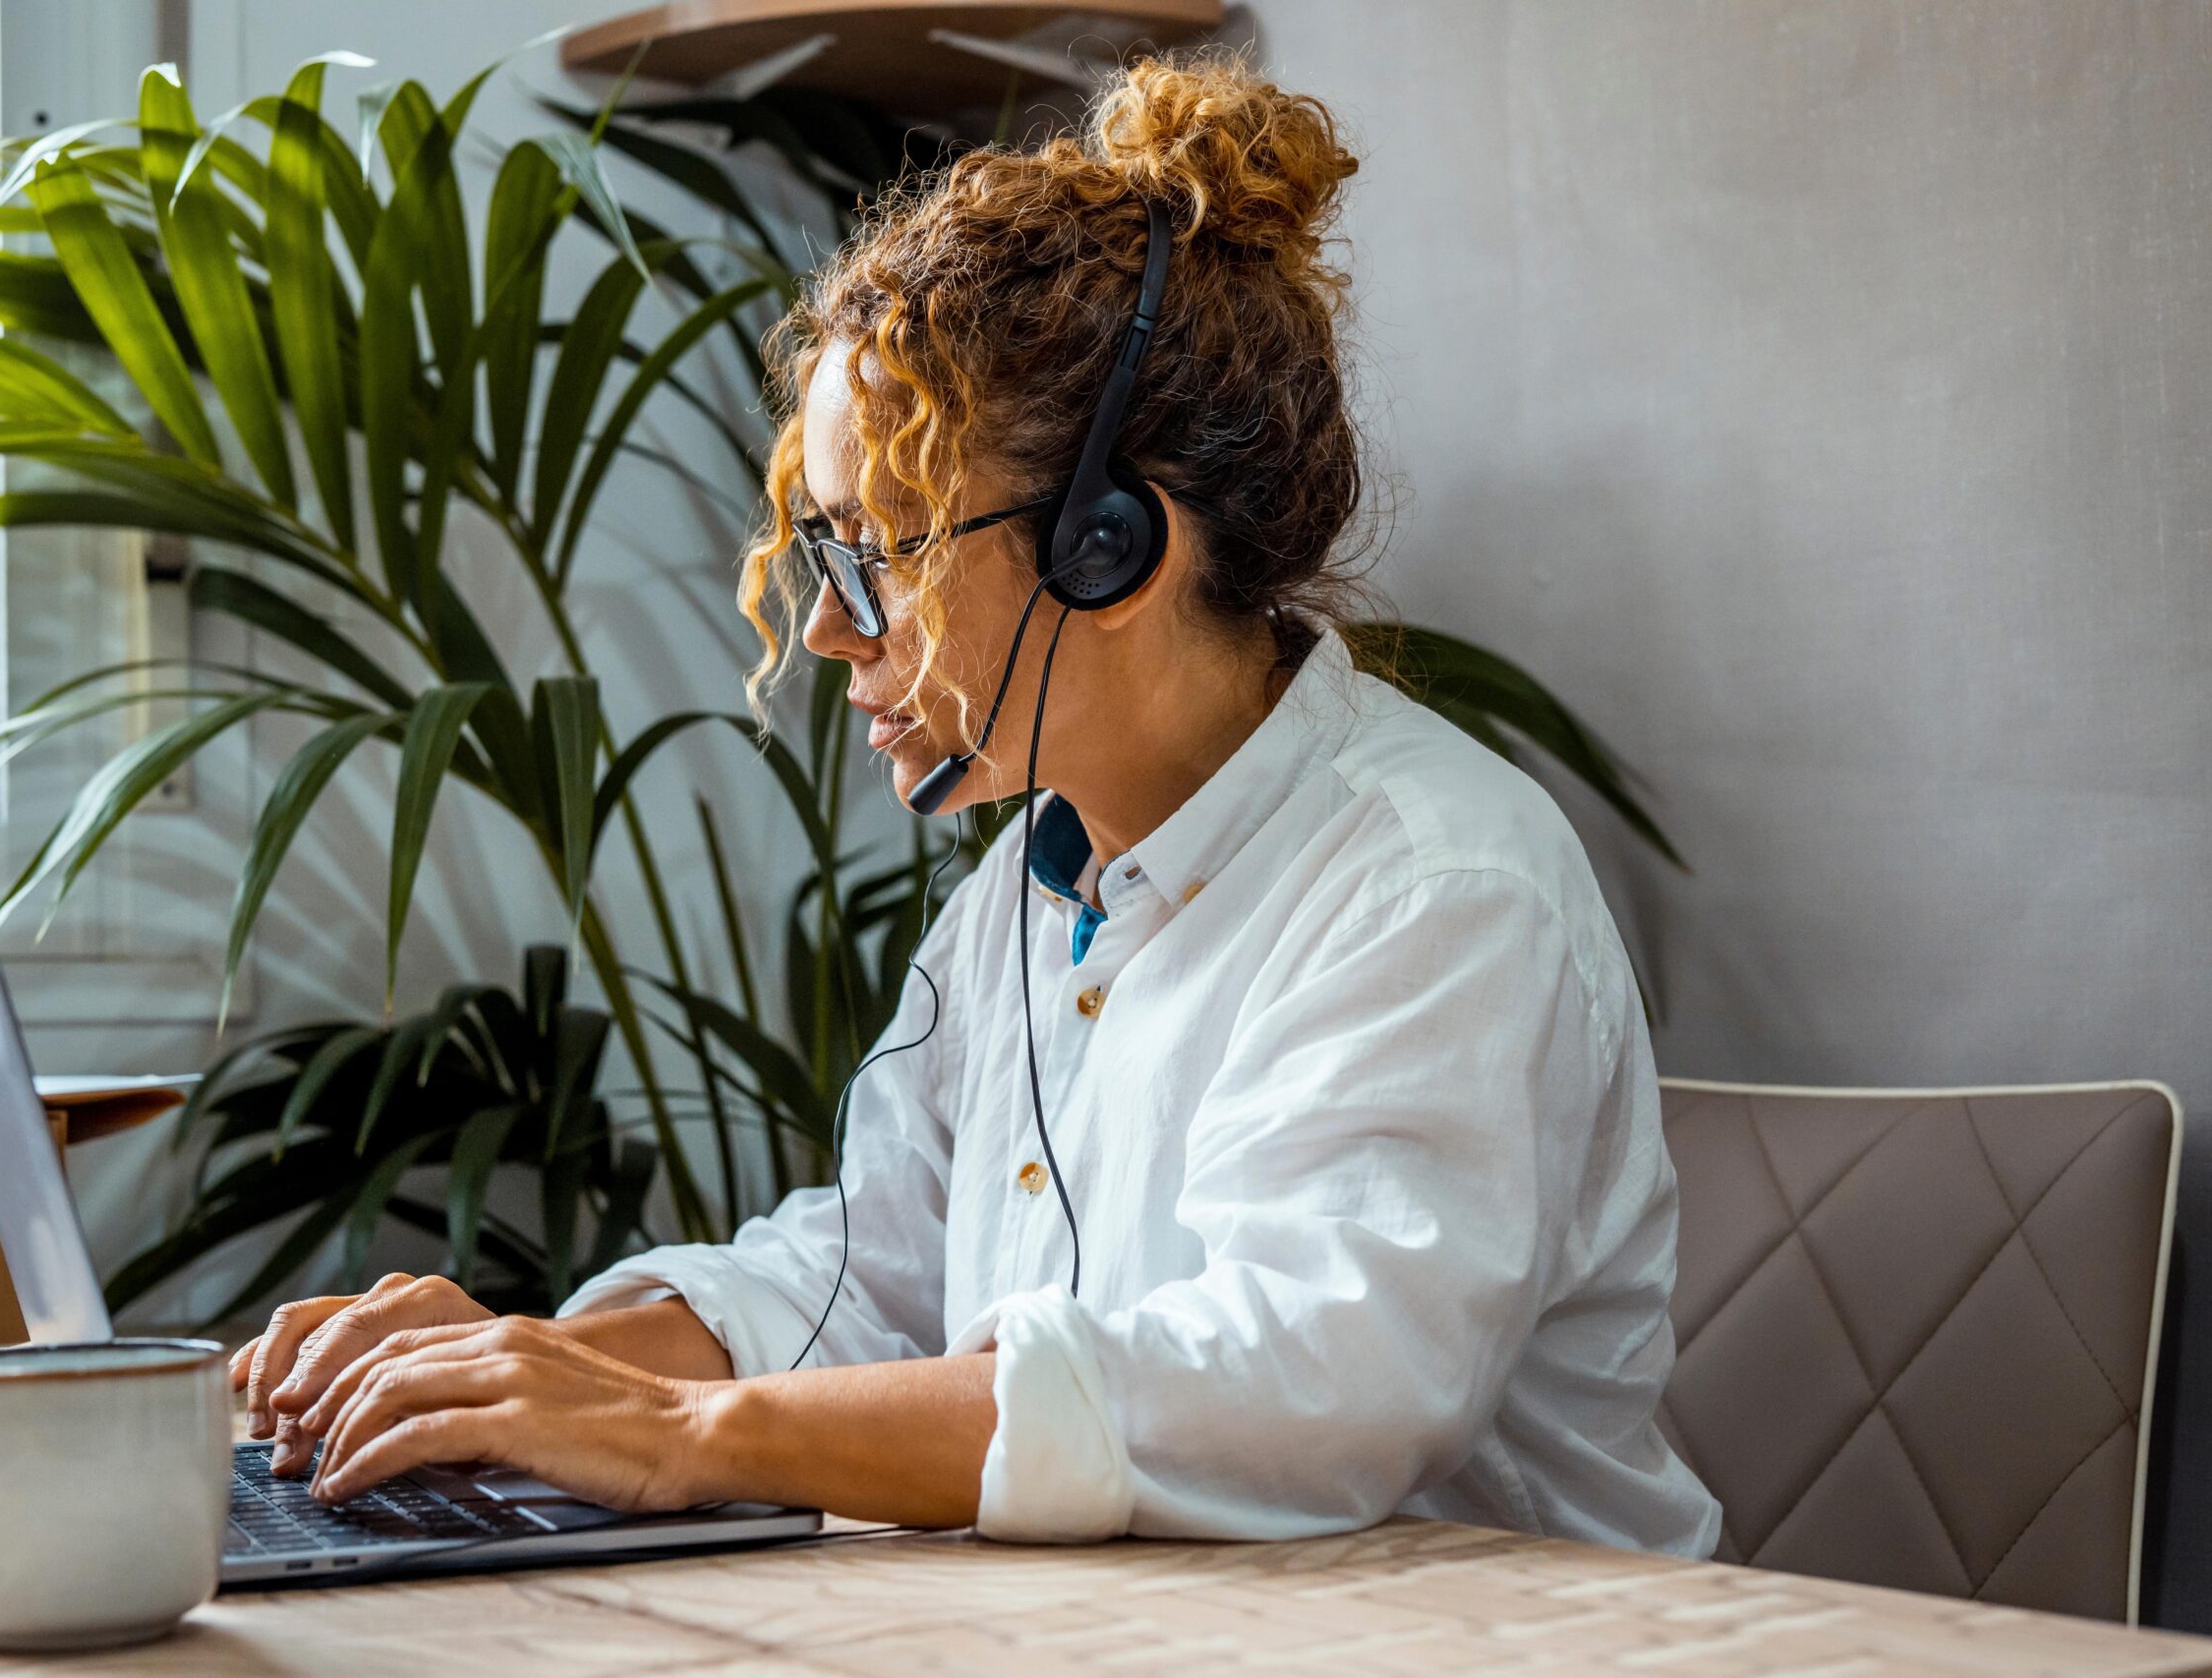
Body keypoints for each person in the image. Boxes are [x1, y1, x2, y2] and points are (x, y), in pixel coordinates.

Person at [233, 50, 1722, 1555]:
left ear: (1111, 544)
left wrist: (678, 1434)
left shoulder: (1436, 888)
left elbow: (1296, 1385)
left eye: (881, 546)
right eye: (822, 551)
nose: (825, 628)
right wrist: (522, 1372)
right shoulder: (1024, 894)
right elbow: (876, 1281)